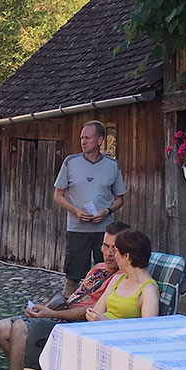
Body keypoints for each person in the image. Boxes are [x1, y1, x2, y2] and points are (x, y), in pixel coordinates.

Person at [0, 228, 160, 370]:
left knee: (37, 333)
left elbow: (149, 332)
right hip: (93, 336)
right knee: (41, 330)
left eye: (116, 251)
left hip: (113, 347)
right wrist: (95, 317)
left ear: (126, 256)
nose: (112, 255)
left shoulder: (148, 289)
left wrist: (105, 322)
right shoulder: (118, 281)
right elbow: (97, 309)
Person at [53, 120, 127, 298]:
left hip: (105, 232)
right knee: (73, 277)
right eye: (81, 138)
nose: (83, 142)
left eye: (87, 138)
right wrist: (76, 211)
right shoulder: (70, 162)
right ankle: (64, 311)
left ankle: (105, 310)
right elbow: (57, 196)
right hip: (77, 230)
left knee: (109, 274)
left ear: (100, 140)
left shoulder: (112, 166)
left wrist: (107, 211)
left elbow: (119, 199)